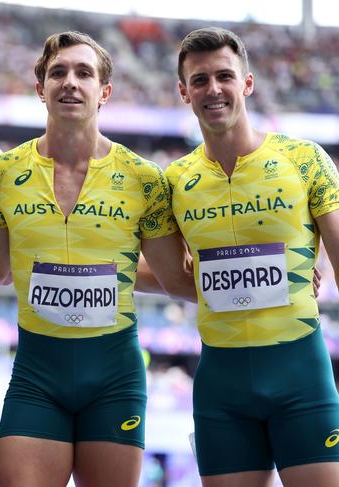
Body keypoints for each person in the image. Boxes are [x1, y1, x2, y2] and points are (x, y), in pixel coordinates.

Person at [0, 31, 195, 487]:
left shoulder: (143, 178)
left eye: (84, 73)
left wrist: (285, 271)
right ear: (41, 89)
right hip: (37, 377)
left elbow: (175, 279)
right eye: (58, 72)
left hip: (114, 379)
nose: (70, 82)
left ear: (105, 92)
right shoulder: (4, 173)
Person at [167, 26, 339, 487]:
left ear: (247, 82)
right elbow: (168, 270)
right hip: (221, 388)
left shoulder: (305, 159)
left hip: (301, 377)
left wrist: (305, 267)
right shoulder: (174, 181)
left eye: (225, 76)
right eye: (199, 80)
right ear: (184, 91)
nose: (213, 89)